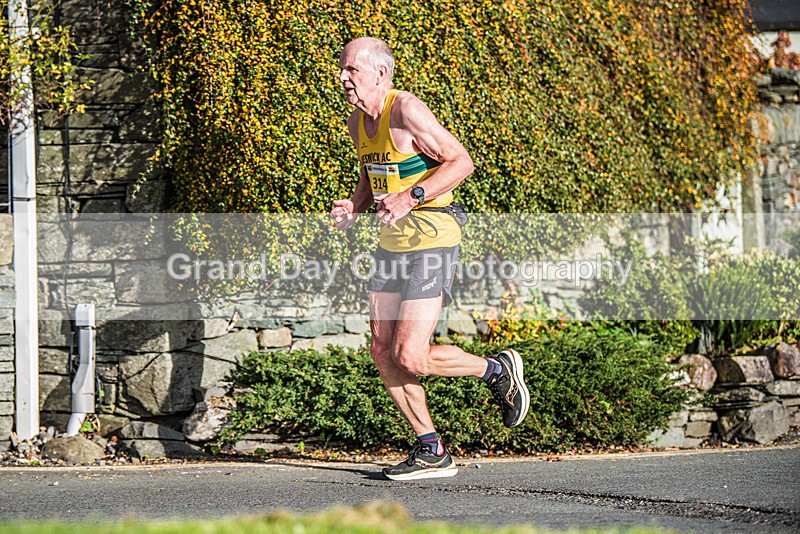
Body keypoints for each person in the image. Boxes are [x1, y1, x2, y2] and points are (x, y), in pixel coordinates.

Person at [329, 37, 530, 481]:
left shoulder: (407, 111)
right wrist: (356, 206)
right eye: (342, 69)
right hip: (391, 245)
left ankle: (496, 370)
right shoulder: (357, 121)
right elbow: (372, 171)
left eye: (351, 69)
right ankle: (431, 449)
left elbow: (461, 161)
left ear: (380, 73)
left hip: (433, 239)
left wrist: (411, 196)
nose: (342, 77)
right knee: (383, 350)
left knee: (412, 355)